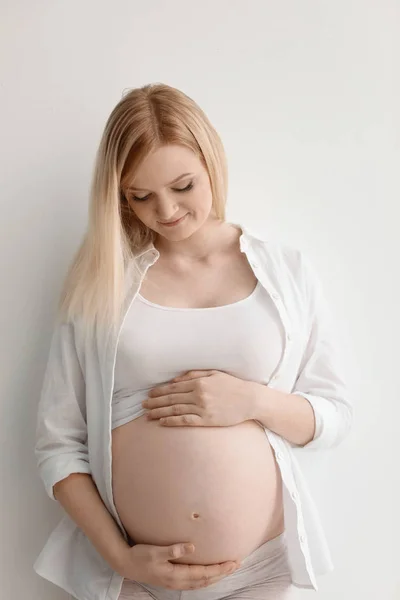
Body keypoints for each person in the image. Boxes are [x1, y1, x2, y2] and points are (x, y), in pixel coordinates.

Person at [33, 83, 353, 600]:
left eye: (183, 185)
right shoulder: (100, 283)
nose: (167, 211)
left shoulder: (287, 272)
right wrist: (120, 556)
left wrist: (252, 401)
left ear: (212, 162)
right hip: (132, 577)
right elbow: (58, 443)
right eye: (141, 196)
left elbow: (333, 417)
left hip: (261, 571)